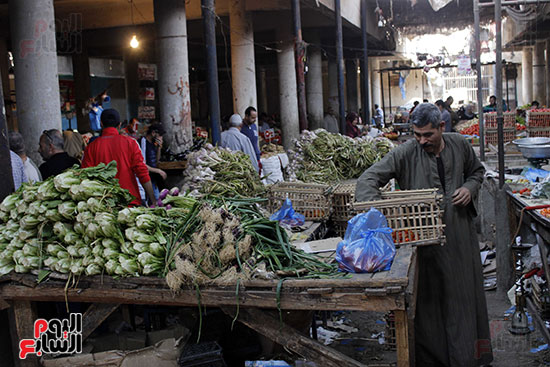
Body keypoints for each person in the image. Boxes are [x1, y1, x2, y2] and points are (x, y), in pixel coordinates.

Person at [355, 103, 492, 366]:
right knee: (428, 304)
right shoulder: (405, 152)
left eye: (427, 135)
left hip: (459, 236)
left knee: (462, 297)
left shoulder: (459, 145)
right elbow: (368, 179)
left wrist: (468, 188)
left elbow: (477, 172)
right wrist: (379, 216)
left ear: (442, 127)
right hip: (424, 242)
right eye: (416, 134)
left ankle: (468, 359)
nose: (421, 141)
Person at [81, 108, 156, 206]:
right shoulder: (131, 143)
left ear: (101, 124)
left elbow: (85, 176)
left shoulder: (91, 147)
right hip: (129, 202)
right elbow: (142, 172)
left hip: (103, 205)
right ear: (119, 125)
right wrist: (153, 200)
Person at [138, 124, 167, 199]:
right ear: (153, 133)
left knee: (157, 198)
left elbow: (157, 160)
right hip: (146, 177)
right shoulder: (143, 142)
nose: (161, 138)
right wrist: (158, 171)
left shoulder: (154, 144)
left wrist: (159, 148)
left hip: (153, 177)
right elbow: (142, 164)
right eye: (159, 135)